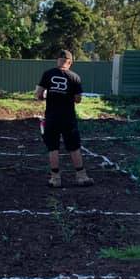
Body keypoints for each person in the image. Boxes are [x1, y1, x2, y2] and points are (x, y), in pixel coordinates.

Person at [35, 50, 94, 188]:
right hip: (68, 118)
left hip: (51, 117)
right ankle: (81, 176)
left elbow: (38, 95)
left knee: (53, 147)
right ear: (70, 62)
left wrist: (45, 96)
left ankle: (55, 179)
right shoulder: (75, 77)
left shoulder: (48, 74)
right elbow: (78, 99)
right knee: (74, 147)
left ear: (58, 60)